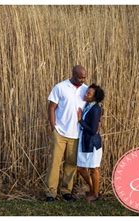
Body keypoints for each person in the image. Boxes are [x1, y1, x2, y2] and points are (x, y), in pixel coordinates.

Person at [45, 65, 88, 202]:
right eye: (80, 77)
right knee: (54, 163)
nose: (82, 80)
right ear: (73, 75)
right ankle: (50, 193)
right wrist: (53, 127)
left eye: (84, 78)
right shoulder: (60, 87)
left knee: (71, 164)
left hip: (76, 134)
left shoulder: (86, 90)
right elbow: (51, 107)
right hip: (60, 132)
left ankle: (66, 192)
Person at [76, 84, 104, 202]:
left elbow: (93, 130)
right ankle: (93, 190)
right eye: (87, 92)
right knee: (80, 167)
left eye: (89, 94)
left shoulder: (96, 109)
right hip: (85, 141)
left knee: (94, 169)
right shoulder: (88, 105)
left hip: (92, 143)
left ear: (94, 98)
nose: (86, 94)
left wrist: (80, 120)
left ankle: (95, 194)